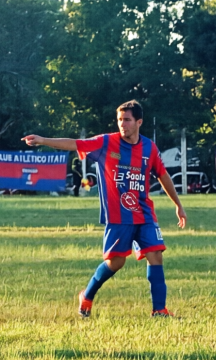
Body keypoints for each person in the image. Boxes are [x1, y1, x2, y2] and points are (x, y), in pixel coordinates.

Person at [21, 100, 187, 317]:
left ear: (139, 122)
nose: (122, 124)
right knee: (116, 262)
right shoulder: (106, 143)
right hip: (118, 217)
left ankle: (159, 310)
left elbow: (162, 175)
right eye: (119, 120)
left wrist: (178, 205)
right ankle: (87, 296)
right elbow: (75, 143)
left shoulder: (149, 147)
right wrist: (43, 140)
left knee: (155, 254)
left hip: (144, 213)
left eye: (127, 120)